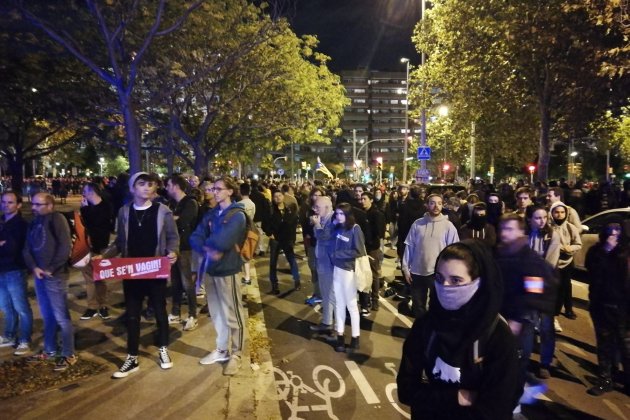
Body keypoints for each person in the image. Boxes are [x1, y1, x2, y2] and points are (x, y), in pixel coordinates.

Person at [397, 240, 521, 419]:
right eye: (439, 278)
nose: (445, 287)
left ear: (478, 283)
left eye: (456, 280)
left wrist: (430, 399)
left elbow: (496, 408)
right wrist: (458, 397)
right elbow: (406, 390)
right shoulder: (426, 325)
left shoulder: (498, 337)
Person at [100, 172, 179, 378]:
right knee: (133, 314)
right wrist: (103, 257)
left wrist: (173, 252)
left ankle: (163, 348)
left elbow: (172, 237)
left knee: (160, 311)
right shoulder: (124, 212)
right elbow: (119, 242)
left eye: (150, 184)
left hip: (155, 269)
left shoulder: (163, 211)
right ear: (133, 188)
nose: (146, 187)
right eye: (141, 184)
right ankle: (132, 357)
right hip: (132, 271)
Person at [190, 176, 247, 376]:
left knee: (233, 314)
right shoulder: (212, 213)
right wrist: (207, 247)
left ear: (230, 191)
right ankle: (222, 350)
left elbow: (223, 241)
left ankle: (237, 354)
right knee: (217, 314)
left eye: (218, 188)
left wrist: (207, 243)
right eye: (213, 188)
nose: (214, 192)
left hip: (228, 270)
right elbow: (195, 235)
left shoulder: (238, 215)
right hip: (211, 270)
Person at [22, 192, 77, 371]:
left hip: (56, 276)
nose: (34, 208)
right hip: (40, 276)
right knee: (47, 316)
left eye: (39, 204)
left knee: (62, 317)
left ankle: (69, 353)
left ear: (50, 205)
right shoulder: (34, 222)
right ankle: (50, 349)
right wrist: (34, 267)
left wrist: (51, 269)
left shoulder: (57, 219)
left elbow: (64, 246)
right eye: (34, 204)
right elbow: (27, 249)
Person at [585, 221, 630, 396]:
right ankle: (605, 379)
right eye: (610, 230)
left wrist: (615, 252)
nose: (613, 234)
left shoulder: (625, 253)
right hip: (601, 305)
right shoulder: (596, 251)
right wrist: (606, 251)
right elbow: (593, 271)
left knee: (625, 347)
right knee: (604, 345)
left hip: (623, 309)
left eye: (617, 230)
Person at [402, 194, 459, 318]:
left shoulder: (449, 227)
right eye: (432, 203)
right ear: (427, 205)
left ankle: (433, 333)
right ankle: (420, 332)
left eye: (439, 203)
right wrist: (405, 268)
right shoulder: (418, 224)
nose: (436, 206)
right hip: (417, 271)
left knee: (436, 305)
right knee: (418, 306)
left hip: (438, 273)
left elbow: (454, 252)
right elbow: (409, 247)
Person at [525, 205, 561, 379]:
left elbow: (550, 264)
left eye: (545, 218)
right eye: (538, 218)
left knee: (546, 327)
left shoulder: (552, 235)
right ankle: (524, 359)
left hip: (545, 288)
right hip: (526, 287)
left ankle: (545, 362)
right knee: (528, 325)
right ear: (530, 219)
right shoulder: (524, 235)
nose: (542, 221)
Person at [0, 191, 32, 355]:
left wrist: (4, 245)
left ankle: (25, 339)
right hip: (1, 270)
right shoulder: (2, 222)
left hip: (15, 270)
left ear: (18, 205)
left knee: (21, 307)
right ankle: (9, 335)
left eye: (10, 202)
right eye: (3, 202)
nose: (6, 205)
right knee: (6, 306)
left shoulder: (21, 225)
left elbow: (13, 248)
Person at [331, 203, 365, 352]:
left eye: (341, 214)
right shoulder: (338, 227)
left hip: (349, 271)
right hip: (337, 270)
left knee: (351, 305)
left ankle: (355, 338)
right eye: (337, 213)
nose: (338, 216)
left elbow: (359, 251)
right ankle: (340, 335)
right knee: (339, 304)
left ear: (348, 214)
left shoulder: (355, 229)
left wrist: (338, 255)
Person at [166, 174, 199, 331]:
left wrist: (172, 219)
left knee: (187, 283)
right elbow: (172, 220)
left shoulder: (190, 202)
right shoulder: (173, 203)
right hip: (172, 247)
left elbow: (183, 221)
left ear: (176, 186)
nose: (166, 188)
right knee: (175, 282)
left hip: (185, 247)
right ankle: (175, 312)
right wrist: (174, 218)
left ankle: (193, 315)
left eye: (168, 185)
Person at [79, 182, 114, 321]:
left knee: (100, 278)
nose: (84, 193)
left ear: (92, 191)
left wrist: (85, 210)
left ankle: (103, 305)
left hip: (101, 247)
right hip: (87, 247)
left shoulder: (105, 207)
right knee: (89, 279)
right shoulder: (91, 207)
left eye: (85, 191)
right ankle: (92, 306)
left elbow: (97, 226)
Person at [549, 202, 582, 320]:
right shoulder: (548, 227)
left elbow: (578, 244)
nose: (559, 215)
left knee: (564, 287)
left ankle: (561, 311)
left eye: (562, 212)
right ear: (552, 213)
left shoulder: (570, 227)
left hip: (566, 262)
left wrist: (570, 249)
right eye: (556, 212)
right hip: (552, 262)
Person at [264, 190, 301, 294]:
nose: (278, 198)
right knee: (273, 263)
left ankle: (297, 280)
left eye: (280, 195)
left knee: (292, 260)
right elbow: (265, 224)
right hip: (275, 239)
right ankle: (274, 285)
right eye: (275, 196)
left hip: (287, 239)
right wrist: (269, 233)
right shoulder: (270, 210)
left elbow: (293, 225)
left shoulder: (289, 209)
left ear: (283, 197)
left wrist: (292, 238)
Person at [309, 196, 336, 336]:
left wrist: (317, 225)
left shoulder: (333, 220)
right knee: (326, 294)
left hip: (329, 264)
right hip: (323, 262)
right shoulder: (324, 218)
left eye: (317, 207)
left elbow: (324, 238)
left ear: (327, 207)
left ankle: (332, 326)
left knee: (330, 294)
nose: (315, 210)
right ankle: (327, 322)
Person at [360, 191, 386, 311]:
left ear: (371, 200)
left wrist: (379, 248)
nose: (362, 201)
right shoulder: (361, 213)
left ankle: (375, 299)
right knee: (363, 274)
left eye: (364, 199)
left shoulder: (376, 214)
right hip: (362, 247)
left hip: (372, 248)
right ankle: (365, 299)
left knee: (374, 274)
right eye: (361, 199)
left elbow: (380, 233)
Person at [238, 183, 256, 286]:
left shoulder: (239, 204)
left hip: (241, 231)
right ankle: (247, 276)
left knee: (240, 254)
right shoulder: (252, 204)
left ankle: (245, 276)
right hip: (249, 230)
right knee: (247, 254)